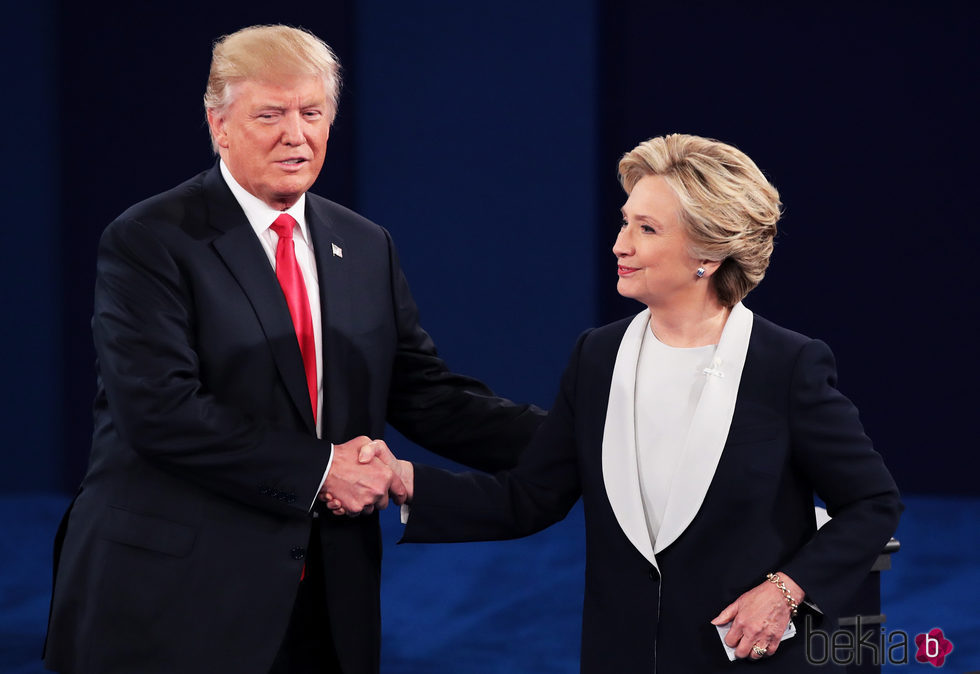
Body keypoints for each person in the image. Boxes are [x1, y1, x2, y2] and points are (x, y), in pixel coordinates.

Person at [43, 24, 543, 674]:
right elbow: (159, 410)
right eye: (270, 115)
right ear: (218, 122)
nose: (296, 134)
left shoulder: (365, 244)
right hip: (177, 602)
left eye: (311, 113)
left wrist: (584, 436)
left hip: (327, 598)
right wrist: (321, 470)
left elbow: (426, 396)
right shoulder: (151, 240)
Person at [372, 134, 902, 671]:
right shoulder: (597, 355)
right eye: (626, 222)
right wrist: (407, 481)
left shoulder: (785, 365)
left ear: (710, 251)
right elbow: (530, 498)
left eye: (647, 229)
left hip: (745, 656)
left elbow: (872, 503)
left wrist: (788, 590)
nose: (620, 244)